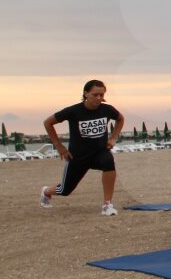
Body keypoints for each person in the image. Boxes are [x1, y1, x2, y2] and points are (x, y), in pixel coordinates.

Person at [38, 79, 124, 216]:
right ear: (85, 94)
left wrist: (113, 138)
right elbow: (48, 122)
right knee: (65, 190)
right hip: (77, 157)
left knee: (109, 162)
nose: (99, 98)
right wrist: (59, 146)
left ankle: (107, 204)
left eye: (101, 95)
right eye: (95, 95)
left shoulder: (107, 109)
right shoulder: (73, 111)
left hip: (99, 152)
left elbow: (120, 119)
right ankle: (46, 191)